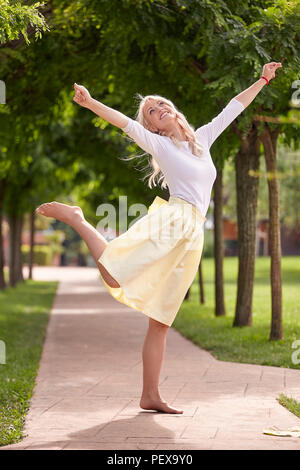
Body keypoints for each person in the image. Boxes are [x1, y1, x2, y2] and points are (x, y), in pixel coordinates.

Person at [35, 61, 282, 414]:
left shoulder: (202, 141)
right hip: (173, 220)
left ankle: (150, 394)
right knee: (113, 274)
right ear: (152, 125)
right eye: (152, 110)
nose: (159, 109)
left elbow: (234, 107)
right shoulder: (160, 145)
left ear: (174, 111)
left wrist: (262, 79)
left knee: (162, 320)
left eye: (161, 104)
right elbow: (123, 121)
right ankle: (78, 219)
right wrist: (90, 103)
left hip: (193, 235)